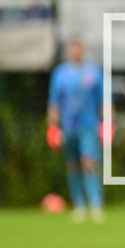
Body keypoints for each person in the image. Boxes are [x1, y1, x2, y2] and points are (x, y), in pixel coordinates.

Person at [47, 37, 104, 223]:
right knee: (73, 165)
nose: (76, 51)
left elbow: (103, 100)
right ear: (69, 50)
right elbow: (55, 103)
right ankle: (79, 206)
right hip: (68, 126)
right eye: (73, 48)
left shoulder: (94, 72)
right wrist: (52, 127)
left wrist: (107, 122)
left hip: (89, 125)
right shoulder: (61, 74)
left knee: (89, 162)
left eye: (79, 47)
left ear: (83, 49)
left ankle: (96, 206)